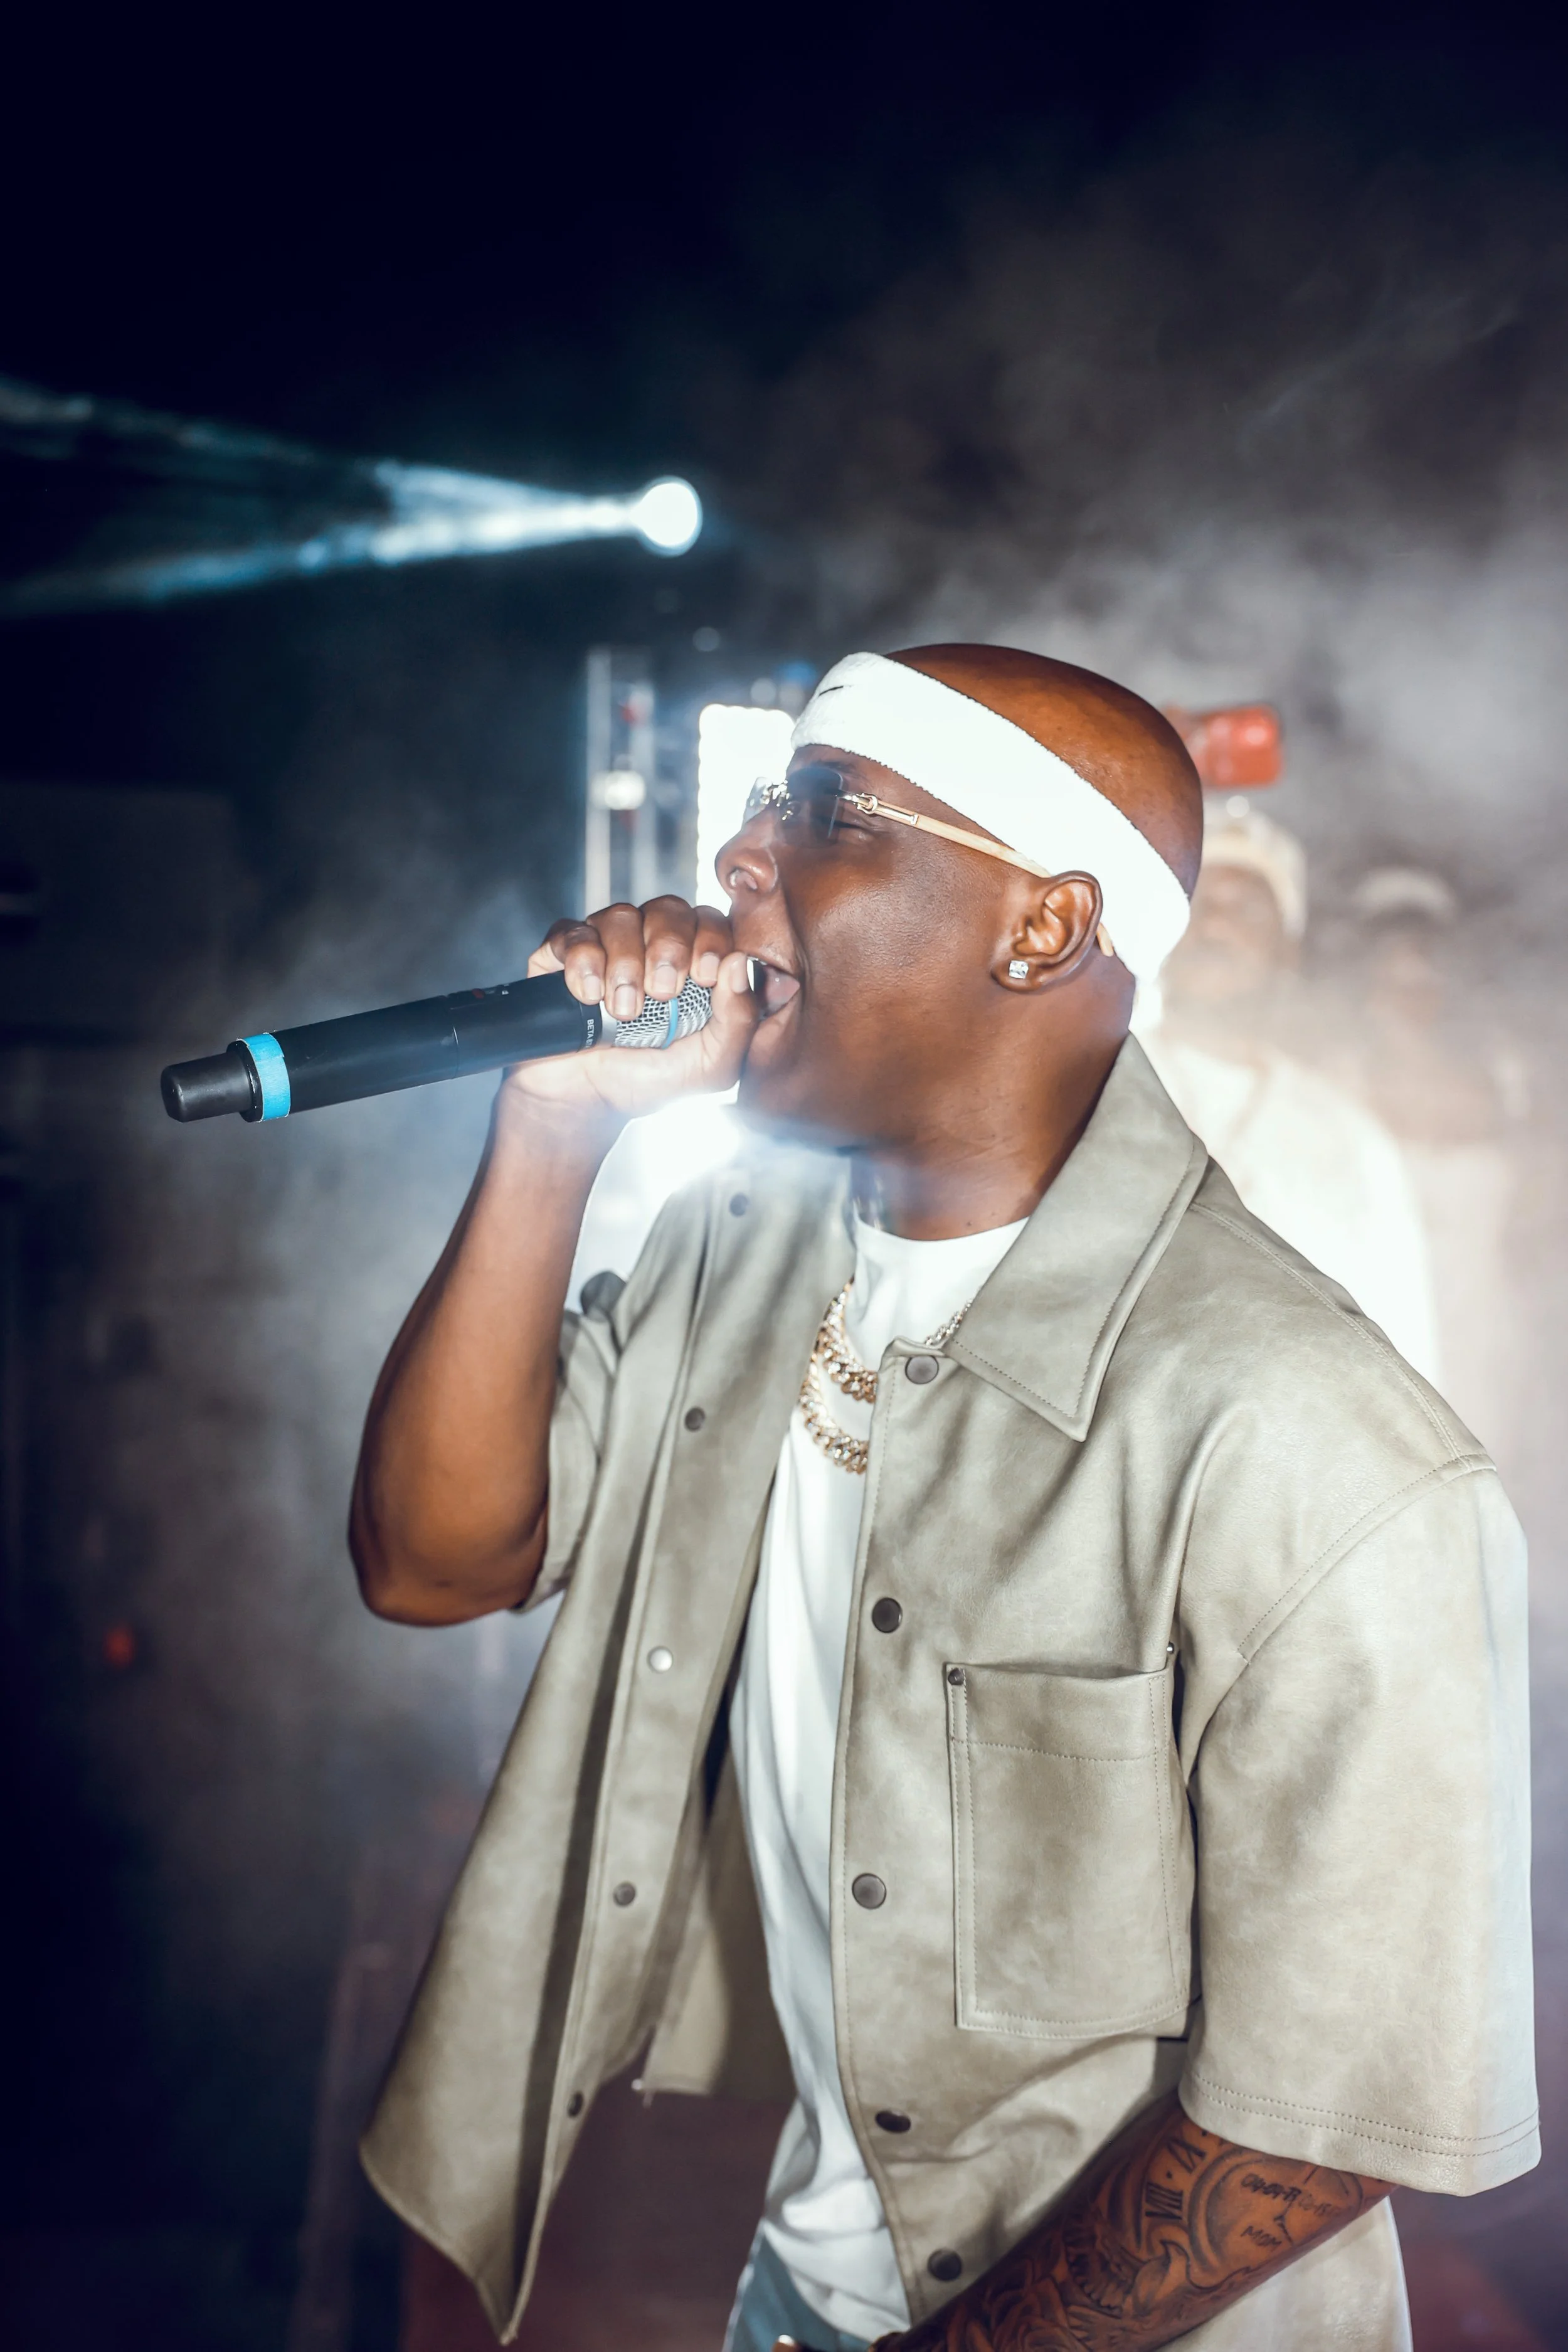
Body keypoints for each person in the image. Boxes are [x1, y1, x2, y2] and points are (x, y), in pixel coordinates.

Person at [351, 646, 1536, 2352]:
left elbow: (1325, 2116)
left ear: (1041, 927)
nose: (736, 855)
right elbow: (428, 1560)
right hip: (791, 2292)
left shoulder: (1308, 1434)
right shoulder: (738, 1256)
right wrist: (550, 1119)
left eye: (826, 814)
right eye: (764, 803)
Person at [1142, 800, 1441, 1383]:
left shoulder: (1348, 1138)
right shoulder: (1088, 1085)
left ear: (1288, 950)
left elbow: (1404, 1350)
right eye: (1199, 903)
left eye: (1246, 909)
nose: (1216, 926)